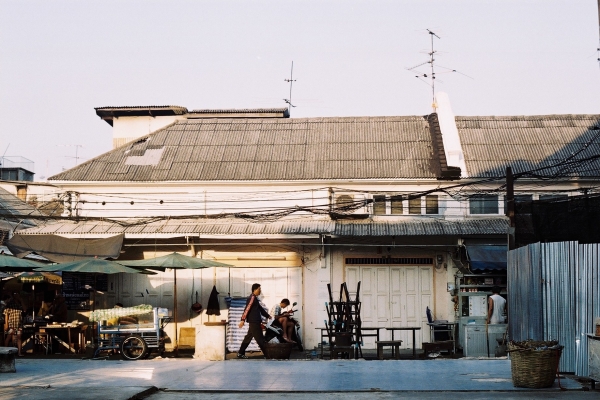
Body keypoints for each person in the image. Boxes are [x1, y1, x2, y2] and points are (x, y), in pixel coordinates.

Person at [237, 283, 270, 359]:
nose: (260, 291)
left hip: (254, 321)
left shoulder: (255, 298)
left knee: (248, 337)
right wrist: (242, 320)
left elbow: (260, 308)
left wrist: (268, 316)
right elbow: (247, 308)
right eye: (259, 289)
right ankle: (267, 354)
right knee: (260, 338)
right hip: (254, 321)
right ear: (255, 290)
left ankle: (240, 353)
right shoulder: (252, 298)